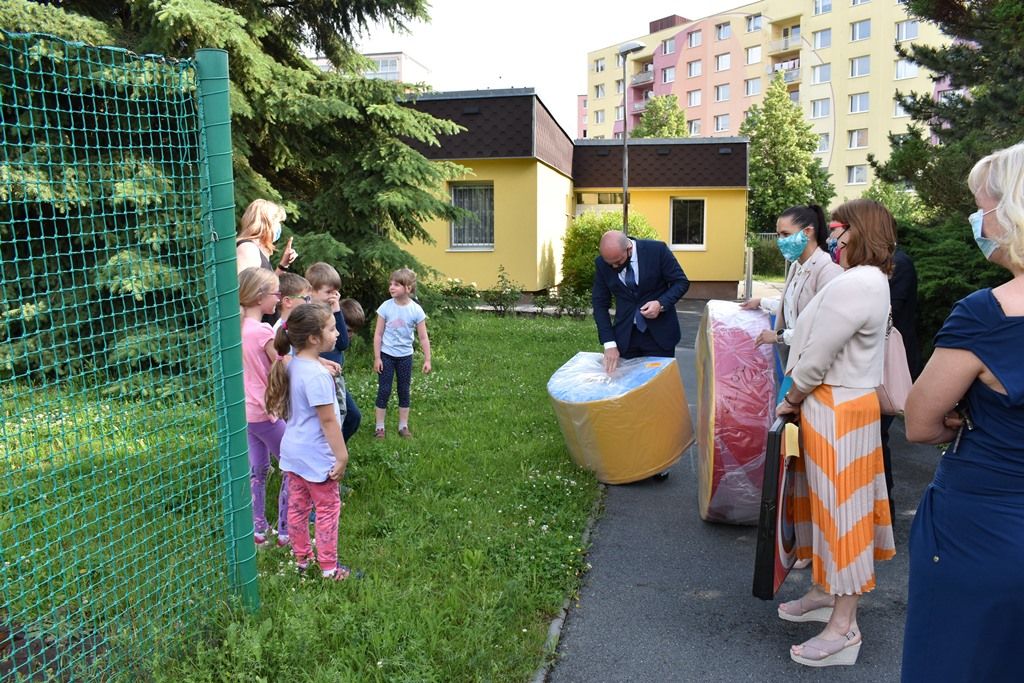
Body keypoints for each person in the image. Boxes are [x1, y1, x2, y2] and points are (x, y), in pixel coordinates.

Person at [901, 143, 1024, 681]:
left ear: (1014, 211)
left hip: (987, 523)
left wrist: (959, 417)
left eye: (981, 207)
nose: (976, 221)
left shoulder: (987, 314)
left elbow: (920, 421)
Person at [774, 198, 896, 668]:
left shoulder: (857, 283)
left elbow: (819, 353)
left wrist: (791, 397)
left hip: (836, 407)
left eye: (840, 228)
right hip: (842, 406)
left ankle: (844, 628)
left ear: (858, 232)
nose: (833, 236)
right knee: (829, 511)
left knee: (843, 517)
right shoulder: (868, 280)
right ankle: (826, 594)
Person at [265, 303, 352, 580]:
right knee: (327, 510)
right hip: (316, 456)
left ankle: (302, 560)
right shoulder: (316, 376)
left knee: (297, 509)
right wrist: (341, 456)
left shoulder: (295, 365)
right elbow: (328, 422)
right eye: (331, 328)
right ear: (314, 338)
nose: (337, 333)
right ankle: (329, 569)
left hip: (293, 453)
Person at [742, 205, 843, 355]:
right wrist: (761, 302)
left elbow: (826, 329)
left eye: (785, 234)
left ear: (807, 232)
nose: (780, 241)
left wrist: (779, 336)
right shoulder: (796, 266)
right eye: (778, 235)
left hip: (815, 365)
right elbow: (794, 306)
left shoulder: (828, 268)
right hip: (796, 361)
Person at [238, 267, 290, 547]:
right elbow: (284, 362)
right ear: (260, 297)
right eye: (275, 294)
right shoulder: (260, 332)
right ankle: (286, 531)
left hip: (246, 414)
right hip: (265, 413)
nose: (278, 299)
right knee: (292, 466)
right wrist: (318, 364)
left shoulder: (237, 329)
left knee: (258, 469)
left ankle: (258, 530)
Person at [592, 230, 689, 374]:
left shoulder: (657, 251)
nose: (614, 267)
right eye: (610, 264)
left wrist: (660, 304)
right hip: (625, 338)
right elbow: (599, 304)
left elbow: (680, 282)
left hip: (660, 336)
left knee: (657, 388)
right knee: (627, 390)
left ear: (629, 249)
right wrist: (609, 344)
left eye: (618, 262)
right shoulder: (602, 264)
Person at [373, 267, 431, 439]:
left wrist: (427, 359)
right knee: (384, 390)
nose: (391, 287)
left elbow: (423, 337)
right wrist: (377, 357)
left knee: (404, 390)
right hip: (386, 356)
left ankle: (403, 426)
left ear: (408, 288)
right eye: (390, 284)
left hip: (405, 357)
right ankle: (380, 428)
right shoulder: (385, 307)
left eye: (396, 284)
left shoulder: (416, 310)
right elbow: (378, 334)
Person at [306, 262, 361, 442]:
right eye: (328, 292)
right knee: (323, 421)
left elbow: (343, 343)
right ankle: (328, 453)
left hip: (335, 379)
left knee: (352, 416)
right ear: (312, 291)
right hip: (317, 377)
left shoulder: (332, 313)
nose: (333, 296)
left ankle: (335, 451)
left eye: (335, 292)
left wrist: (337, 310)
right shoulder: (307, 315)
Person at [235, 199, 297, 275]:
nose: (279, 227)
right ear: (267, 224)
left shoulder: (257, 248)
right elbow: (246, 285)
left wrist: (283, 264)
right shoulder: (248, 249)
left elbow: (268, 285)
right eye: (278, 222)